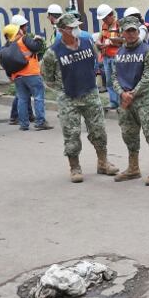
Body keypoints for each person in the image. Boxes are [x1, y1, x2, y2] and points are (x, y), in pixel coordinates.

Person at [41, 14, 119, 182]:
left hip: (90, 93)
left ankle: (103, 162)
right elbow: (47, 77)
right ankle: (75, 167)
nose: (76, 30)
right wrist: (63, 90)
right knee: (72, 134)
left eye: (76, 26)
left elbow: (94, 62)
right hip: (69, 98)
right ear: (61, 30)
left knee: (98, 130)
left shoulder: (87, 43)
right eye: (71, 28)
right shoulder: (52, 52)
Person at [111, 17, 149, 186]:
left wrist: (131, 94)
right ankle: (133, 168)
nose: (132, 34)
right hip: (126, 103)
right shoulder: (119, 54)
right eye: (128, 31)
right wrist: (121, 93)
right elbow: (114, 76)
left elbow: (148, 77)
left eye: (134, 30)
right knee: (129, 135)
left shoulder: (147, 51)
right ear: (122, 33)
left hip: (143, 101)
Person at [8, 14, 51, 131]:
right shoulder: (24, 38)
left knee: (22, 99)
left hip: (17, 75)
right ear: (20, 27)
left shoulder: (10, 42)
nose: (26, 27)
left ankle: (23, 124)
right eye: (25, 25)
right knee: (38, 97)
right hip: (31, 73)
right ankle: (40, 122)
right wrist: (38, 39)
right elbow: (36, 47)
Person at [95, 4, 123, 110]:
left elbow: (123, 41)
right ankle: (113, 102)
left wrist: (110, 43)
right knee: (109, 81)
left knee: (118, 81)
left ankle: (121, 103)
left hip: (116, 57)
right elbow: (100, 38)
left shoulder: (119, 25)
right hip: (106, 57)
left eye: (105, 18)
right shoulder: (104, 26)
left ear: (110, 15)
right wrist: (98, 43)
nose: (104, 21)